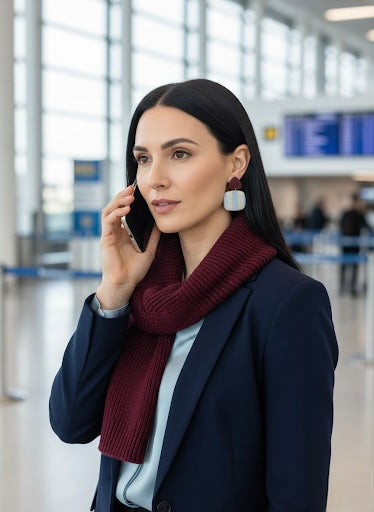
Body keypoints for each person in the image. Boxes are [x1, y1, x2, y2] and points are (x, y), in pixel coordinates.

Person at [49, 79, 338, 512]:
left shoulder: (287, 304)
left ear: (235, 163)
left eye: (179, 154)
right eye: (143, 159)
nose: (154, 179)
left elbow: (297, 492)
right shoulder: (142, 295)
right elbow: (71, 423)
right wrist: (114, 293)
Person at [339, 192, 372, 297]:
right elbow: (367, 227)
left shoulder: (347, 213)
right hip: (351, 245)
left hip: (347, 245)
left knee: (347, 266)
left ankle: (344, 287)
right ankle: (349, 288)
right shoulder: (357, 214)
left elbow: (340, 227)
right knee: (351, 266)